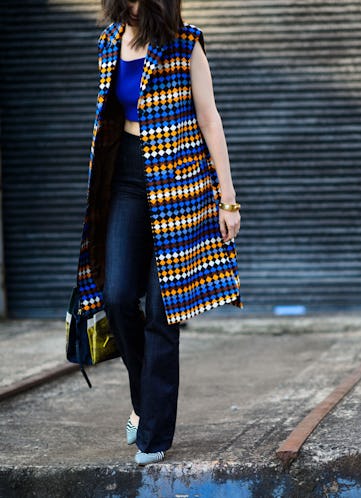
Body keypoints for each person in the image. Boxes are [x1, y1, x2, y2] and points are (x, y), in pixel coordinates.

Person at [77, 0, 243, 465]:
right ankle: (143, 401)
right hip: (126, 179)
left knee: (163, 313)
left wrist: (226, 198)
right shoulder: (110, 42)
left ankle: (155, 435)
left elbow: (210, 119)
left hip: (180, 189)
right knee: (117, 297)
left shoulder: (185, 44)